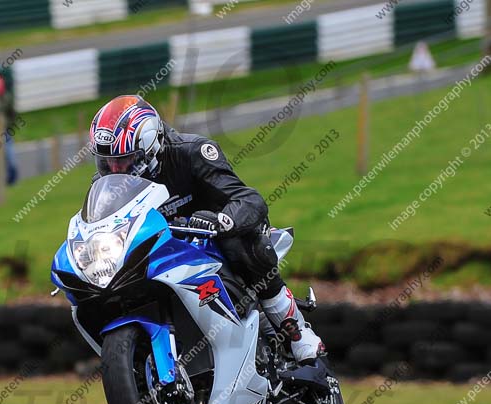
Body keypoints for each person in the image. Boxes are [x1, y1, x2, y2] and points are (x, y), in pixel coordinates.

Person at [88, 95, 324, 364]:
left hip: (214, 244)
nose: (116, 168)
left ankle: (295, 330)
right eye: (107, 162)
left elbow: (249, 201)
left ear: (150, 147)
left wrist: (220, 222)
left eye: (126, 160)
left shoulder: (192, 152)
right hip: (161, 254)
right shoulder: (108, 182)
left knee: (244, 244)